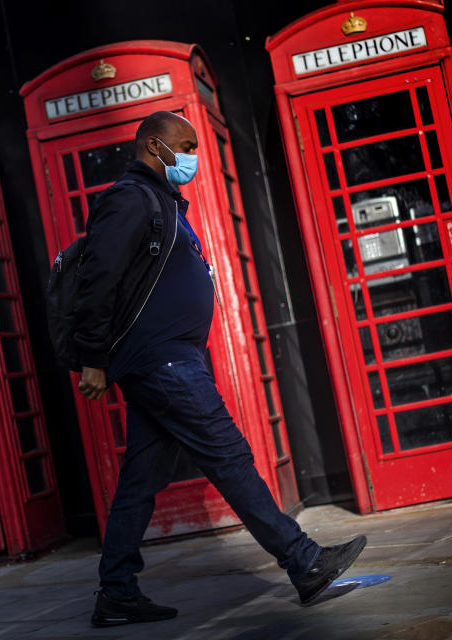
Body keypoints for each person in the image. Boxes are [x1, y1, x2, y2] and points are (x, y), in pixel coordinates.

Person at [72, 111, 367, 628]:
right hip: (160, 359)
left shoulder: (162, 200)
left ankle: (116, 591)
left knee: (140, 481)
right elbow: (97, 278)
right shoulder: (129, 197)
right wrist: (92, 357)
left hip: (170, 357)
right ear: (152, 145)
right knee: (228, 453)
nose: (193, 156)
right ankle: (303, 561)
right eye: (184, 145)